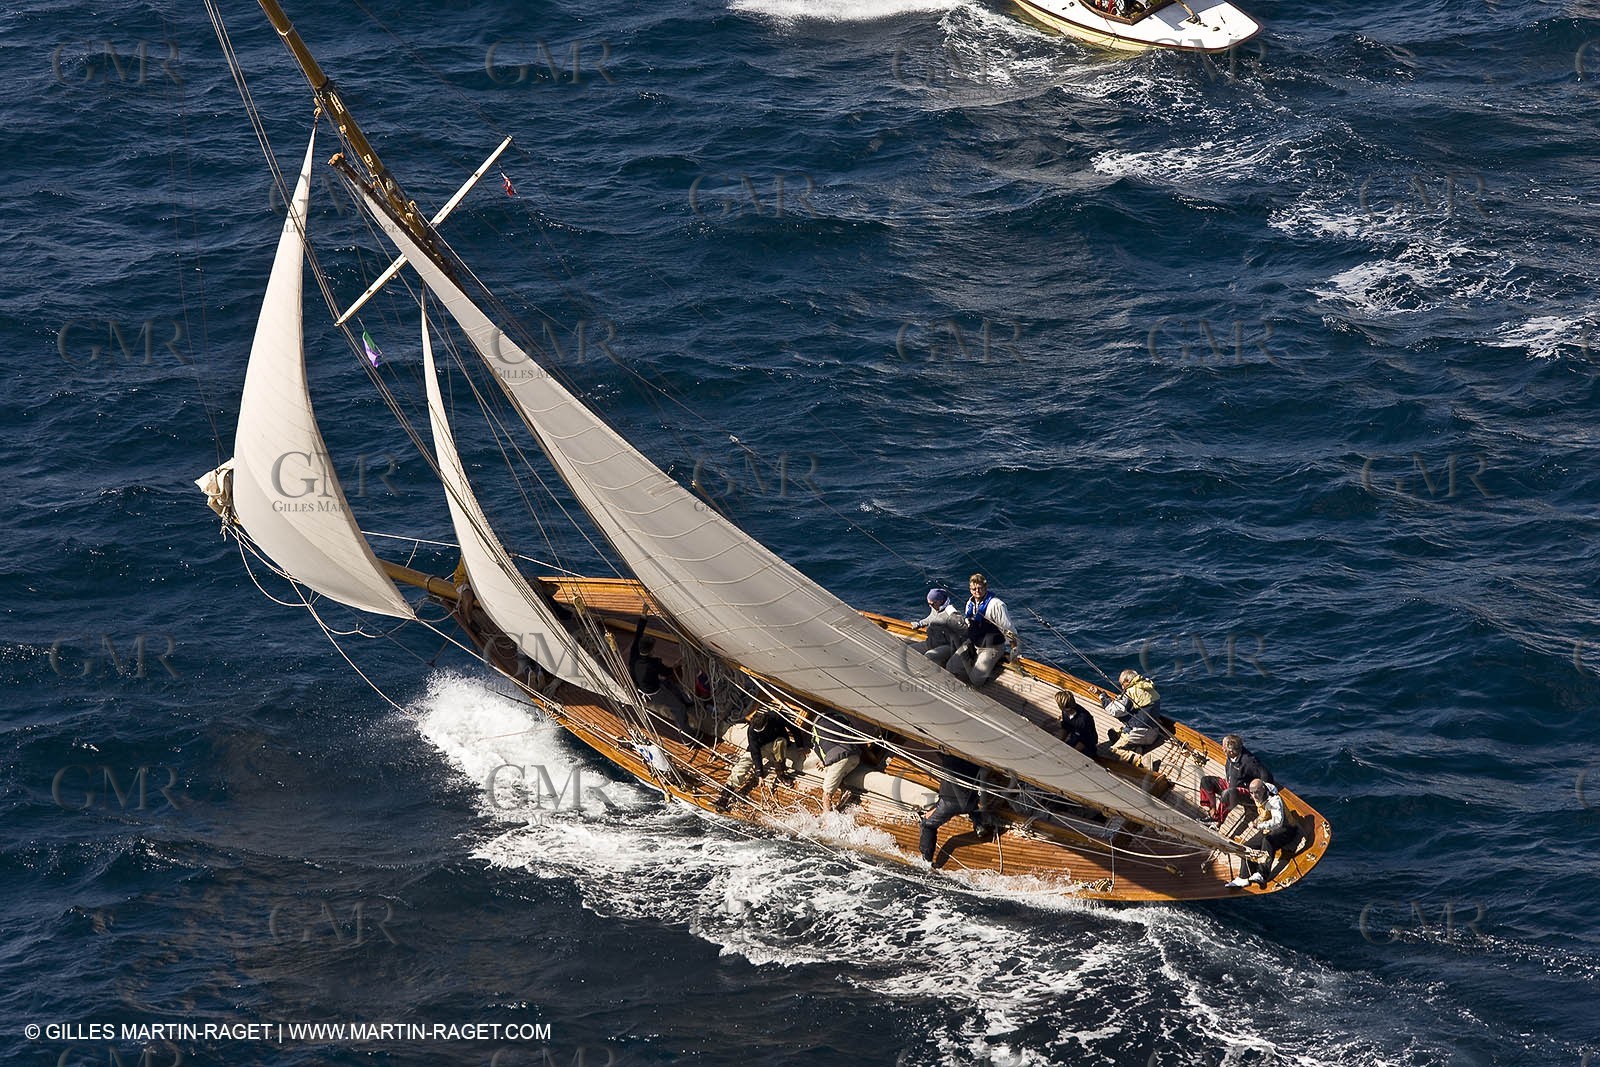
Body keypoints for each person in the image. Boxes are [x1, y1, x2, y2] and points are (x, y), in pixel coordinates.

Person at [717, 706, 804, 809]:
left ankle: (781, 774)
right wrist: (759, 774)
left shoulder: (776, 716)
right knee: (743, 764)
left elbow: (794, 728)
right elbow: (755, 752)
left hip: (778, 742)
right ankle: (725, 796)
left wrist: (800, 746)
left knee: (780, 743)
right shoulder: (752, 730)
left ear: (766, 723)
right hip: (761, 748)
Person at [918, 753, 995, 863]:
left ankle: (926, 861)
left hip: (949, 803)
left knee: (927, 825)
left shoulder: (949, 757)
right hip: (970, 802)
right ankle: (979, 825)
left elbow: (937, 749)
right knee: (973, 803)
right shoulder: (977, 760)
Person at [945, 574, 1019, 687]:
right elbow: (969, 623)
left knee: (976, 680)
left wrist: (1015, 653)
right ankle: (975, 662)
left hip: (991, 647)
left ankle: (981, 667)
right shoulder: (969, 603)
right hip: (973, 643)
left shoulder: (997, 605)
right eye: (974, 589)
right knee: (951, 667)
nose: (977, 591)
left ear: (985, 587)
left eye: (980, 588)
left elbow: (1009, 630)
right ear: (970, 590)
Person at [1226, 778, 1299, 888]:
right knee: (1248, 846)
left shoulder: (1275, 800)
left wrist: (1258, 825)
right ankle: (1244, 877)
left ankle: (1262, 874)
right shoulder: (1258, 793)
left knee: (1268, 841)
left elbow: (1278, 822)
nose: (1254, 796)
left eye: (1257, 793)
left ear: (1263, 790)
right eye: (1252, 793)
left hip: (1287, 828)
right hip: (1268, 827)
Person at [629, 616, 691, 736]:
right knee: (678, 709)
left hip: (642, 687)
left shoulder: (634, 656)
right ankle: (688, 737)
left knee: (669, 685)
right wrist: (677, 665)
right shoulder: (653, 664)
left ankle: (686, 701)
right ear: (651, 650)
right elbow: (667, 673)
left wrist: (643, 616)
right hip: (655, 693)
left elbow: (637, 636)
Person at [1198, 734, 1273, 824]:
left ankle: (1217, 819)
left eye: (1224, 747)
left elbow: (1266, 776)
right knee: (1206, 781)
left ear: (1231, 752)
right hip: (1230, 784)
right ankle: (1212, 811)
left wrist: (1261, 795)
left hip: (1245, 793)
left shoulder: (1249, 762)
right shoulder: (1231, 755)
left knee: (1228, 793)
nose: (1222, 749)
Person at [1101, 669, 1163, 756]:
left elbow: (1114, 710)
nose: (1122, 687)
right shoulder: (1148, 687)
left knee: (1113, 751)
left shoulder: (1131, 693)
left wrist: (1103, 698)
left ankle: (1141, 762)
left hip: (1140, 734)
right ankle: (1137, 748)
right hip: (1154, 731)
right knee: (1113, 732)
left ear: (1127, 681)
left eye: (1122, 684)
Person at [812, 712, 865, 811]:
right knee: (835, 774)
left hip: (840, 760)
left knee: (826, 794)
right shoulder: (840, 719)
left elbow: (816, 747)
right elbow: (852, 734)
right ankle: (846, 792)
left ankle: (827, 820)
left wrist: (823, 761)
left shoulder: (816, 728)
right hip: (855, 757)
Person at [912, 588, 968, 667]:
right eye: (929, 604)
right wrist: (920, 623)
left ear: (940, 601)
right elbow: (931, 617)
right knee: (910, 650)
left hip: (947, 646)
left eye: (932, 604)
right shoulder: (935, 607)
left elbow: (964, 630)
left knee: (929, 656)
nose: (930, 606)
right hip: (931, 642)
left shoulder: (951, 614)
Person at [1053, 691, 1098, 755]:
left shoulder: (1083, 719)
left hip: (1087, 746)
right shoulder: (1065, 711)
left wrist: (1071, 753)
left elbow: (1085, 741)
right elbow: (1066, 727)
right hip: (1075, 737)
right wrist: (1060, 742)